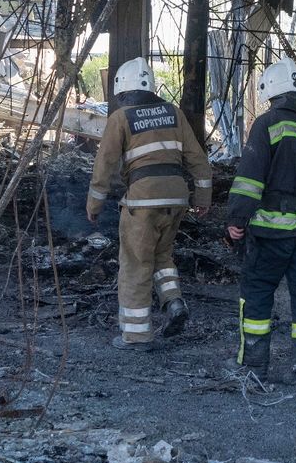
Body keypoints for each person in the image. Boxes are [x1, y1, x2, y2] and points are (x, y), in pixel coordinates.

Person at [86, 57, 212, 348]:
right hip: (176, 198)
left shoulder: (121, 117)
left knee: (135, 265)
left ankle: (136, 334)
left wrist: (94, 205)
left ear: (122, 91)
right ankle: (173, 301)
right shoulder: (174, 113)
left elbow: (104, 165)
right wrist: (202, 198)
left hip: (143, 201)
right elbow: (198, 161)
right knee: (161, 256)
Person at [225, 61, 296, 381]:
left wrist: (237, 218)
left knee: (257, 291)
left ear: (271, 92)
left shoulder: (267, 123)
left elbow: (250, 178)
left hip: (271, 231)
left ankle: (254, 365)